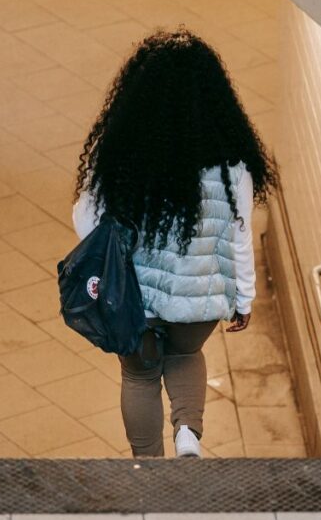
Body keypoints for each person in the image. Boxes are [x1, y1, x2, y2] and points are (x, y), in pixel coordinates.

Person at [71, 28, 279, 458]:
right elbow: (240, 234)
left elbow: (85, 217)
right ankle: (188, 432)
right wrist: (245, 298)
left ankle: (148, 467)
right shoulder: (233, 166)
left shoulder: (117, 155)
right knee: (186, 357)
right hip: (199, 297)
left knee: (140, 377)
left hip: (134, 296)